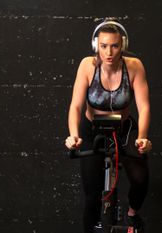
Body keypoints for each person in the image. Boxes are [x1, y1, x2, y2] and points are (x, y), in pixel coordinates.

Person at [65, 19, 152, 233]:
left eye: (114, 45)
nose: (109, 51)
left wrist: (142, 136)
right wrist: (73, 135)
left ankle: (132, 212)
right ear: (96, 46)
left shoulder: (134, 66)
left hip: (123, 129)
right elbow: (75, 106)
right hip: (92, 129)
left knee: (140, 178)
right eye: (103, 46)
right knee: (92, 194)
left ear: (122, 45)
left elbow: (144, 106)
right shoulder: (87, 65)